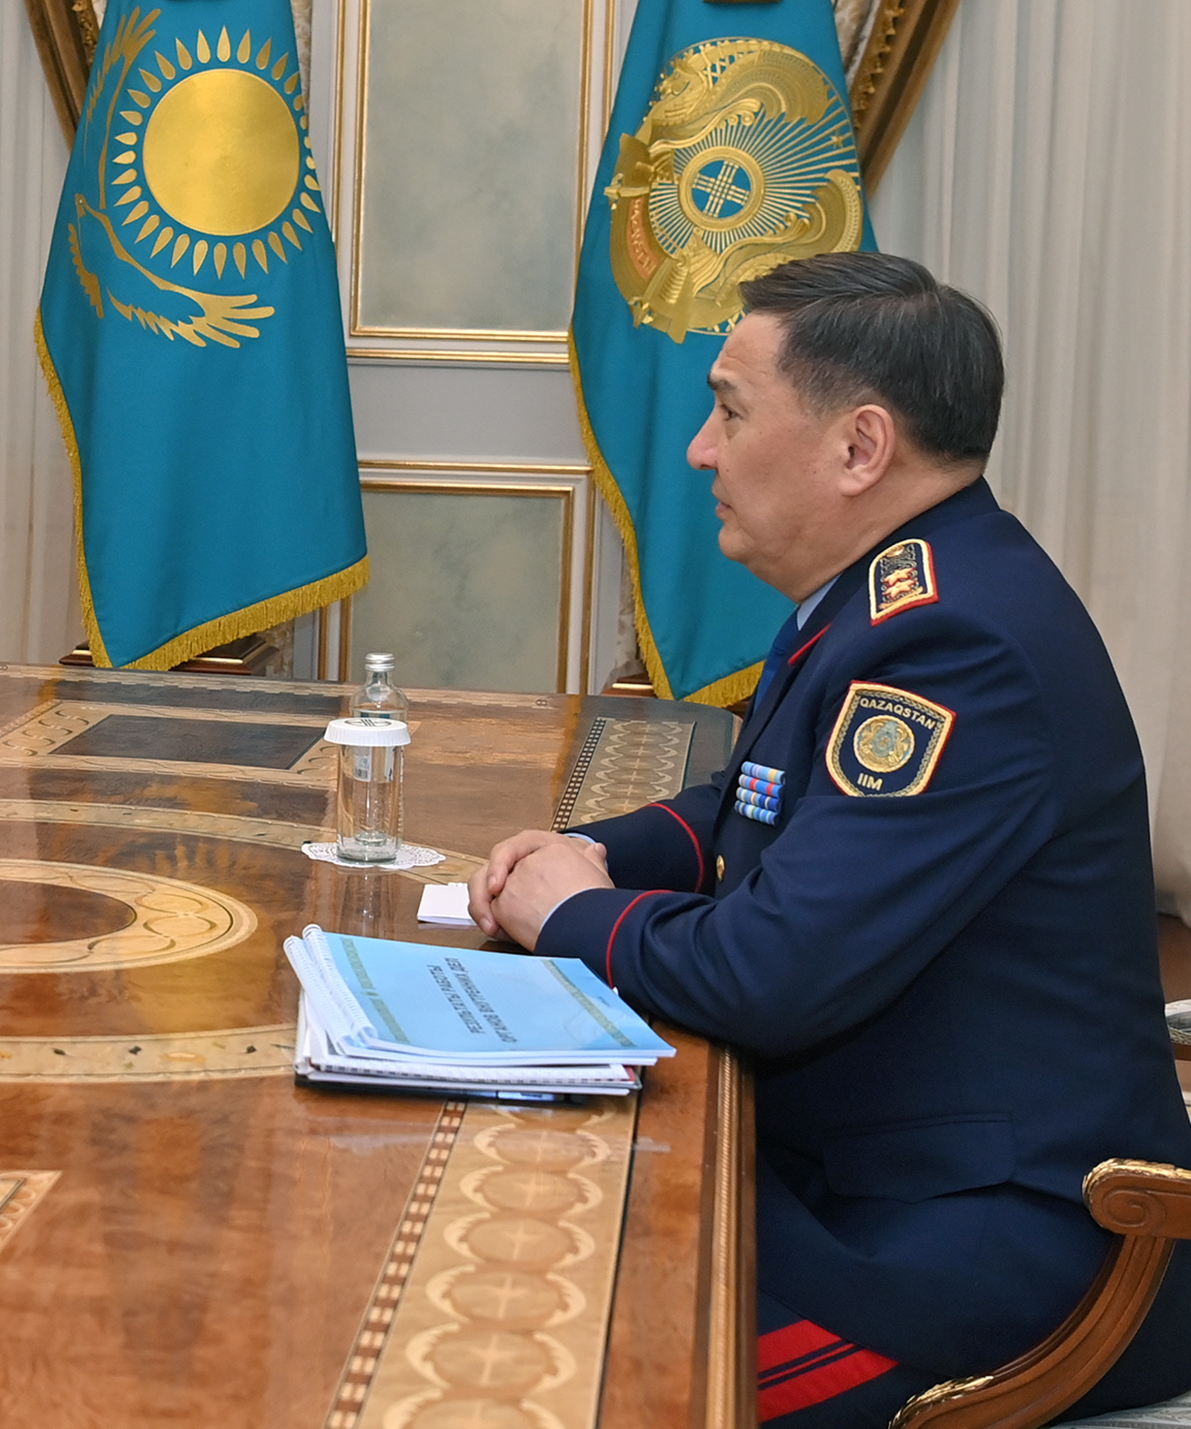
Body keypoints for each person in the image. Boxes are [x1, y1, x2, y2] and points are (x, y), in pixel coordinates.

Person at [470, 252, 1191, 1426]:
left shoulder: (952, 645)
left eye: (730, 411)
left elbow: (768, 975)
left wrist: (572, 914)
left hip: (981, 1248)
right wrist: (588, 851)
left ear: (860, 448)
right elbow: (756, 800)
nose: (700, 450)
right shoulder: (898, 593)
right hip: (864, 1172)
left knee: (549, 1371)